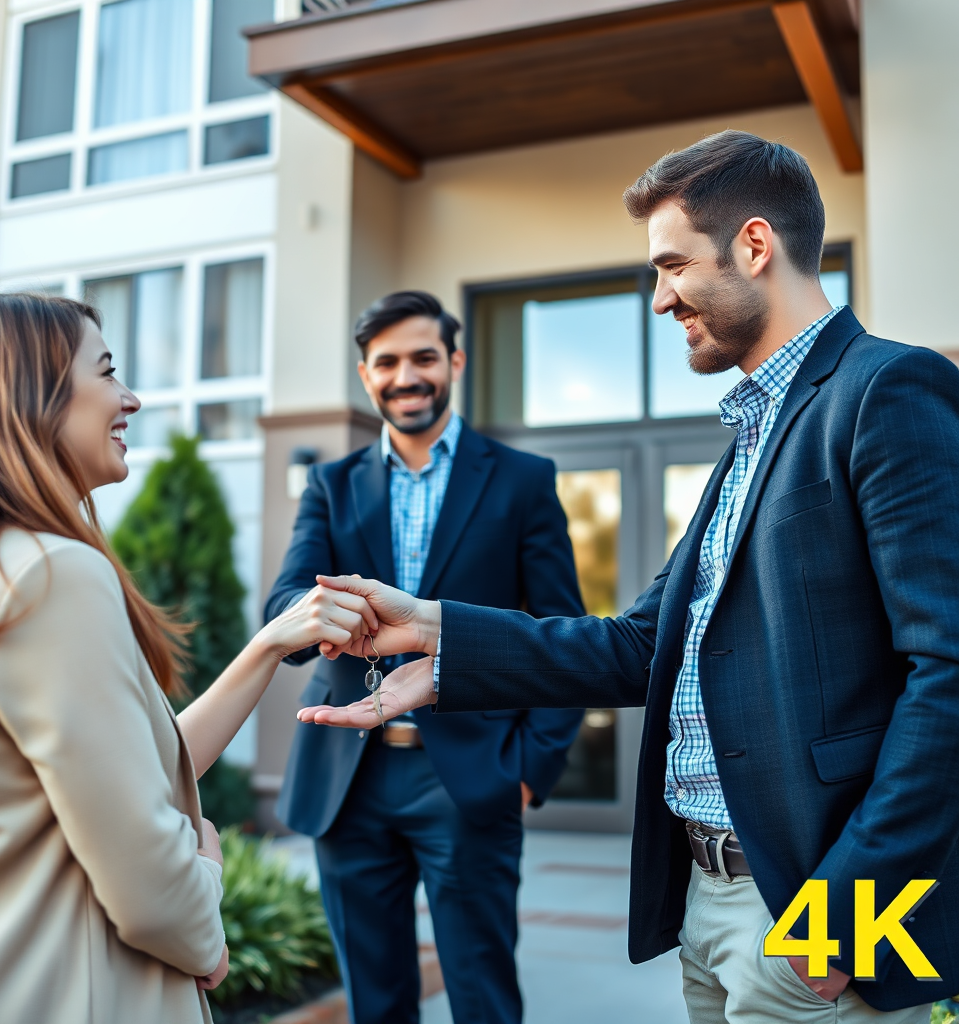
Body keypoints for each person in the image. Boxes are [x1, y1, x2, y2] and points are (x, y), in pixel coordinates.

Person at [299, 132, 959, 1023]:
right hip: (709, 900)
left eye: (672, 265)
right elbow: (645, 644)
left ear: (755, 247)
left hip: (813, 911)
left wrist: (843, 917)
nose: (658, 299)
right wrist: (442, 633)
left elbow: (949, 673)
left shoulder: (887, 391)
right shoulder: (752, 436)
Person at [0, 292, 375, 1024]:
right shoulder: (51, 577)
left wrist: (267, 643)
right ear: (32, 396)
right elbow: (148, 879)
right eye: (106, 371)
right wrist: (204, 891)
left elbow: (134, 768)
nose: (130, 397)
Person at [263, 290, 585, 1024]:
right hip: (348, 781)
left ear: (454, 362)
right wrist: (324, 618)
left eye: (422, 358)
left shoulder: (523, 480)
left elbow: (564, 633)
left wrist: (532, 769)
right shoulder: (330, 484)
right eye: (387, 363)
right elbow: (282, 604)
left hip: (472, 778)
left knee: (482, 998)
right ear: (364, 374)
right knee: (375, 1005)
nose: (405, 376)